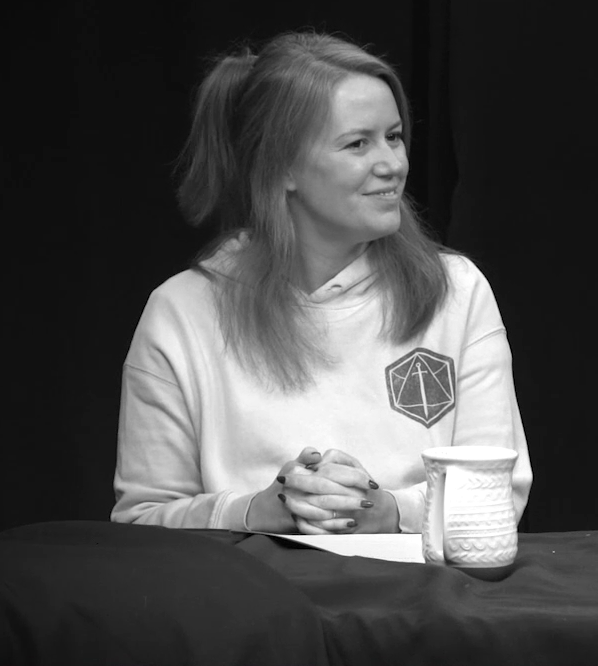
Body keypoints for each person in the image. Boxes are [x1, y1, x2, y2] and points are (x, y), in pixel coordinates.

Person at [113, 32, 532, 534]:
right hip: (252, 607)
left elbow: (497, 495)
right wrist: (255, 512)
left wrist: (387, 511)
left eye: (394, 136)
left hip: (419, 606)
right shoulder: (182, 311)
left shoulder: (457, 291)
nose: (392, 165)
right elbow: (141, 521)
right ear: (281, 167)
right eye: (359, 143)